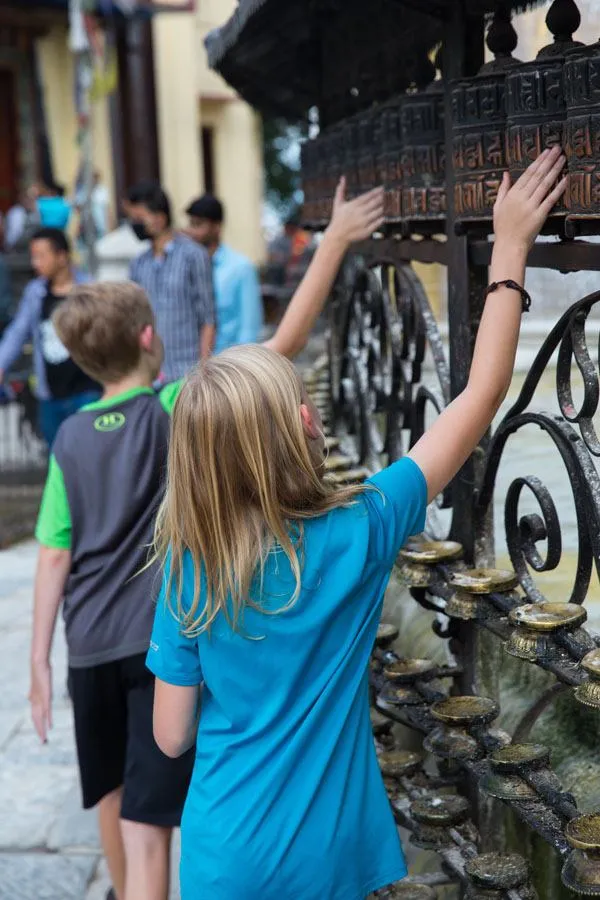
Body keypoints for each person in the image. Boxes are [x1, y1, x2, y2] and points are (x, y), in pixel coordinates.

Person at [146, 149, 567, 900]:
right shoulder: (363, 529)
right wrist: (509, 249)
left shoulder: (189, 563)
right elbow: (482, 392)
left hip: (224, 857)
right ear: (305, 428)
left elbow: (171, 736)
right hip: (330, 857)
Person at [28, 180, 384, 900]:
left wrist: (39, 659)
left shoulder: (66, 437)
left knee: (115, 800)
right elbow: (278, 348)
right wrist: (336, 241)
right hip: (152, 641)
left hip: (91, 643)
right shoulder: (175, 406)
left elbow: (54, 550)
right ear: (151, 340)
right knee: (158, 810)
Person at [0, 228, 99, 447]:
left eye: (41, 256)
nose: (35, 263)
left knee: (88, 457)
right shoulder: (35, 293)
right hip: (50, 394)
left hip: (86, 391)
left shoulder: (90, 290)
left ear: (62, 256)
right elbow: (18, 332)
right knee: (57, 461)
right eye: (33, 256)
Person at [128, 183, 215, 381]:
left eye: (140, 218)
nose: (135, 224)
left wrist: (203, 372)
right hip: (152, 375)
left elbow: (208, 318)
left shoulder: (193, 256)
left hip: (187, 373)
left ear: (160, 218)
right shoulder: (138, 264)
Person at [186, 194, 263, 352]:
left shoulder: (241, 268)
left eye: (198, 224)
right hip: (190, 367)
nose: (192, 232)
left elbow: (249, 329)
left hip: (226, 365)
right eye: (191, 224)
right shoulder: (185, 268)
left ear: (217, 226)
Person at [4, 185, 40, 251]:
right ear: (23, 198)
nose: (31, 201)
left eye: (34, 198)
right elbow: (13, 237)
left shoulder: (37, 212)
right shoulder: (16, 213)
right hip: (16, 251)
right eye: (28, 198)